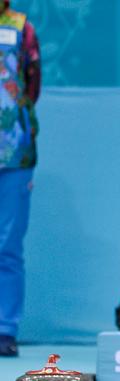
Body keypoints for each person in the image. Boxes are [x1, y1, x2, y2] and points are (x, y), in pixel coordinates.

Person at [0, 0, 40, 357]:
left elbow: (32, 88)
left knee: (7, 246)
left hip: (15, 153)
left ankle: (4, 328)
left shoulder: (21, 27)